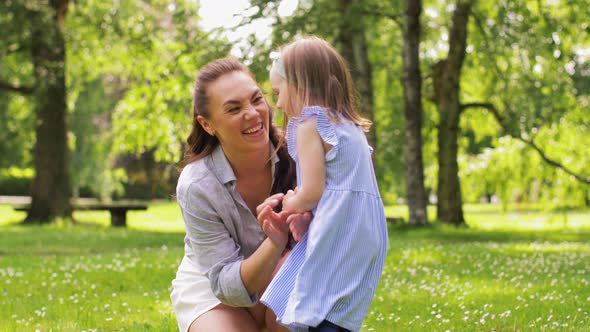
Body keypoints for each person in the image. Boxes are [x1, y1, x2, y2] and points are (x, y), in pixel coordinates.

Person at [171, 58, 311, 332]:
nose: (253, 113)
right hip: (214, 291)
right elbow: (226, 287)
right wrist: (274, 241)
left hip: (286, 279)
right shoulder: (197, 185)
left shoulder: (301, 154)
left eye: (256, 99)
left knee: (294, 283)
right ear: (207, 124)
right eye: (234, 108)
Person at [260, 36, 388, 332]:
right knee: (340, 303)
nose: (277, 103)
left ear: (300, 84)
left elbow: (313, 191)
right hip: (363, 227)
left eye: (279, 91)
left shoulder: (309, 124)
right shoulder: (348, 125)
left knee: (315, 299)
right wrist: (311, 218)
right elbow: (337, 187)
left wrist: (293, 203)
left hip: (339, 229)